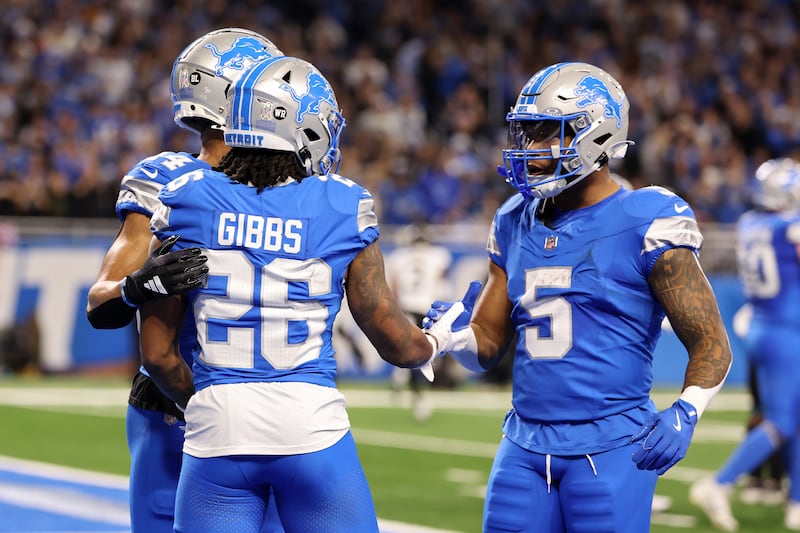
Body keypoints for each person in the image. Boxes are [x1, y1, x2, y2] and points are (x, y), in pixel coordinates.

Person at [422, 61, 733, 533]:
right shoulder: (512, 218)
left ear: (599, 137)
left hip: (611, 444)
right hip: (523, 443)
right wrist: (454, 339)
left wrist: (687, 411)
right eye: (528, 134)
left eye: (550, 134)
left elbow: (711, 341)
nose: (532, 150)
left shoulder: (645, 218)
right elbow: (488, 343)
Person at [137, 55, 439, 533]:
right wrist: (435, 342)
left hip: (219, 428)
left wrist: (211, 402)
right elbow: (396, 342)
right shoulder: (343, 204)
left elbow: (157, 355)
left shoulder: (185, 198)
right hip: (309, 425)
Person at [85, 28, 285, 533]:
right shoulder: (166, 181)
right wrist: (140, 286)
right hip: (179, 408)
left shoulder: (296, 187)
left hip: (274, 411)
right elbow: (102, 302)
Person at [690, 157, 800, 531]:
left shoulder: (751, 222)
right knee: (782, 422)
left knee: (793, 419)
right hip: (786, 330)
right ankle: (717, 484)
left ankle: (797, 504)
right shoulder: (791, 227)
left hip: (762, 324)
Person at [385, 223, 452, 421]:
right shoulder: (438, 255)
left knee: (414, 353)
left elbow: (395, 286)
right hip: (427, 309)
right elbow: (441, 282)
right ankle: (419, 398)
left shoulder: (399, 256)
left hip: (406, 307)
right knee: (421, 356)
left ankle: (401, 379)